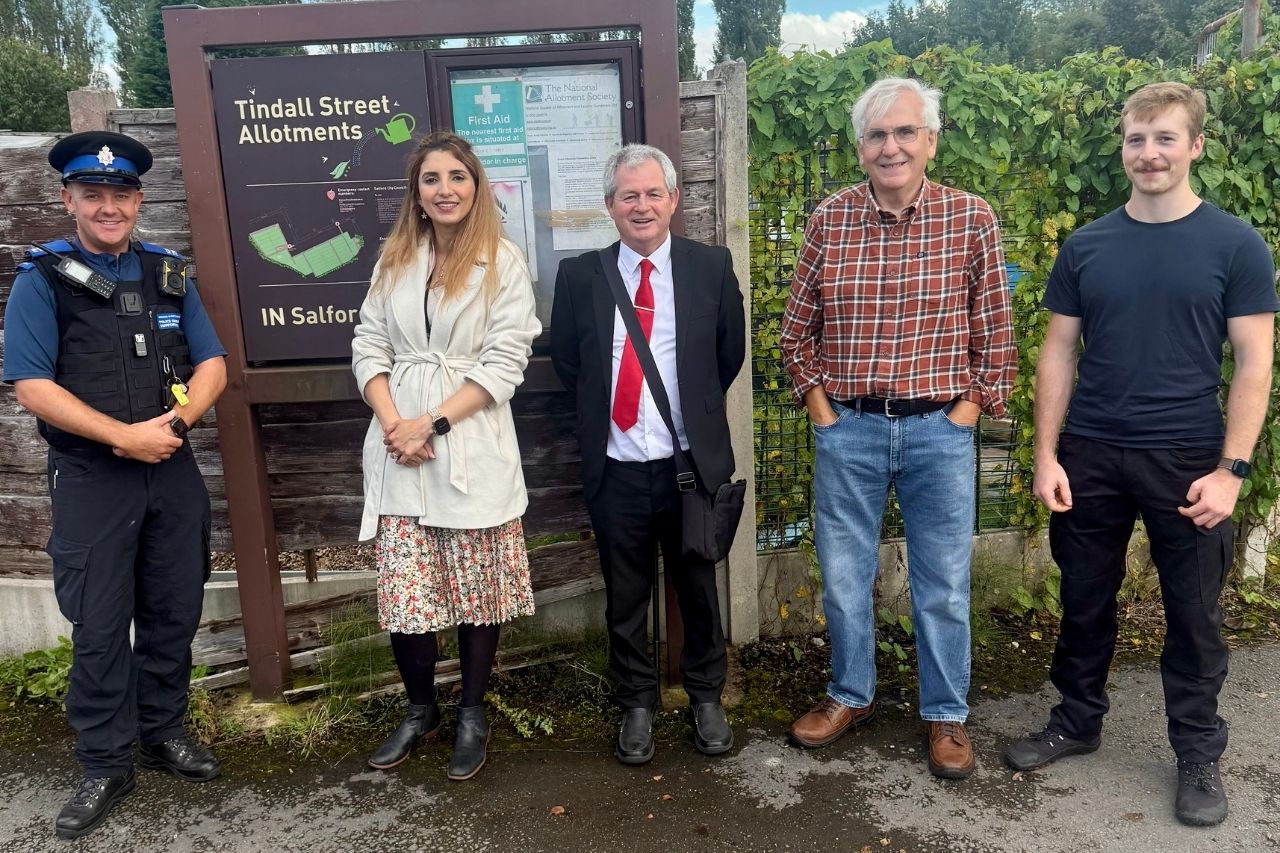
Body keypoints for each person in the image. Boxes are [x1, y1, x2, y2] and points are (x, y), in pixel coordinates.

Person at [1002, 82, 1278, 827]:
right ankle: (1077, 719)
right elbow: (1058, 353)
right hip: (1090, 451)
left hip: (1189, 458)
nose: (1148, 153)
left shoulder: (1235, 244)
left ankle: (1197, 750)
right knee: (1084, 599)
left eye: (1164, 138)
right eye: (1136, 139)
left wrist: (1232, 470)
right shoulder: (1087, 245)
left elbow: (1255, 362)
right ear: (1121, 147)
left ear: (1194, 146)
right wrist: (1047, 454)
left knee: (1194, 615)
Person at [779, 77, 1016, 779]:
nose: (892, 146)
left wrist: (966, 411)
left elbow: (996, 337)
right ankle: (849, 694)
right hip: (848, 428)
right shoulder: (829, 220)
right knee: (845, 575)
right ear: (860, 148)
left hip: (940, 431)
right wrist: (821, 408)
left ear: (931, 140)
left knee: (942, 581)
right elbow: (797, 334)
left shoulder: (972, 219)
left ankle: (946, 713)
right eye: (878, 135)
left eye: (905, 132)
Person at [2, 131, 228, 840]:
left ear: (138, 200)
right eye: (92, 194)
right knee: (99, 627)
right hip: (94, 478)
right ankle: (104, 761)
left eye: (120, 195)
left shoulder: (167, 273)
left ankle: (163, 732)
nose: (108, 206)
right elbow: (32, 386)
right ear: (68, 198)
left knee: (172, 611)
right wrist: (123, 436)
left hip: (172, 469)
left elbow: (213, 363)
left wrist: (180, 421)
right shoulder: (42, 278)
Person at [352, 131, 541, 782]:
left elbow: (506, 359)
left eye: (457, 176)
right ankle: (420, 707)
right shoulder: (395, 258)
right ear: (418, 193)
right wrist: (394, 423)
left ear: (476, 184)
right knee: (410, 597)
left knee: (476, 593)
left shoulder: (502, 260)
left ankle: (471, 711)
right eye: (431, 178)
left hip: (468, 441)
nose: (445, 189)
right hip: (399, 447)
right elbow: (368, 343)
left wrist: (431, 421)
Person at [550, 144, 746, 765]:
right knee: (626, 594)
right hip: (616, 468)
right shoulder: (580, 277)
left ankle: (706, 697)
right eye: (628, 195)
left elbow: (727, 355)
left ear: (673, 201)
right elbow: (569, 363)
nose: (641, 206)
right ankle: (636, 703)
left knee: (698, 589)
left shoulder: (709, 267)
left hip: (689, 467)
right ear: (610, 206)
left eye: (652, 194)